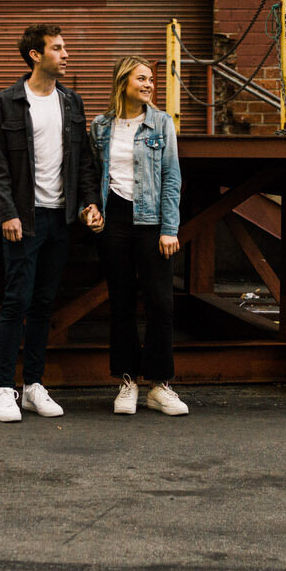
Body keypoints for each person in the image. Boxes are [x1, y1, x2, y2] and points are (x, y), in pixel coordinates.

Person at [0, 24, 104, 423]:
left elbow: (83, 161)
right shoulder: (6, 103)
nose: (66, 54)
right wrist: (8, 213)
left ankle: (32, 385)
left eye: (65, 47)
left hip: (60, 219)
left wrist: (88, 202)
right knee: (16, 301)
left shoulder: (72, 103)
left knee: (43, 304)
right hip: (25, 219)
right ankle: (3, 389)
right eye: (57, 48)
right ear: (35, 55)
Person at [90, 56, 187, 416]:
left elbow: (172, 178)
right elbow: (91, 173)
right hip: (114, 220)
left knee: (161, 303)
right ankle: (127, 382)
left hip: (151, 223)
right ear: (123, 82)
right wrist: (91, 207)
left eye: (151, 80)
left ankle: (160, 385)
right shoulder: (101, 126)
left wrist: (169, 228)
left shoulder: (161, 123)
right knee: (122, 303)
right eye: (141, 78)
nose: (149, 85)